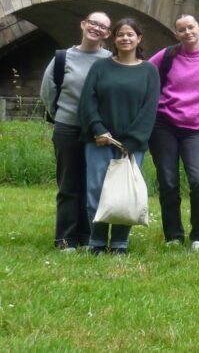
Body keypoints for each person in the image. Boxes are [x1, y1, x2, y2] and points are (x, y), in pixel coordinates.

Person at [148, 14, 199, 250]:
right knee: (168, 181)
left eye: (191, 27)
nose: (187, 32)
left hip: (196, 129)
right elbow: (143, 74)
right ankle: (173, 235)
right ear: (176, 34)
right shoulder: (167, 56)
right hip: (164, 125)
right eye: (181, 29)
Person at [78, 18, 160, 254]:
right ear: (114, 39)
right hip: (99, 140)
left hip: (132, 145)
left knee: (125, 192)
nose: (125, 38)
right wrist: (98, 129)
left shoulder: (149, 71)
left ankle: (119, 243)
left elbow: (149, 108)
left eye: (130, 34)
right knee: (96, 190)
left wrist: (131, 142)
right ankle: (97, 241)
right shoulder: (101, 67)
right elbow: (88, 101)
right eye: (121, 34)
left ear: (139, 38)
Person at [40, 11, 113, 251]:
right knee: (69, 184)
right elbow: (48, 92)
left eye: (102, 26)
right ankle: (65, 238)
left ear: (108, 34)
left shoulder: (110, 60)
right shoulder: (62, 58)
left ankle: (87, 236)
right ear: (83, 25)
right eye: (92, 23)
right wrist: (62, 115)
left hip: (97, 131)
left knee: (92, 184)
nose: (96, 28)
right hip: (68, 128)